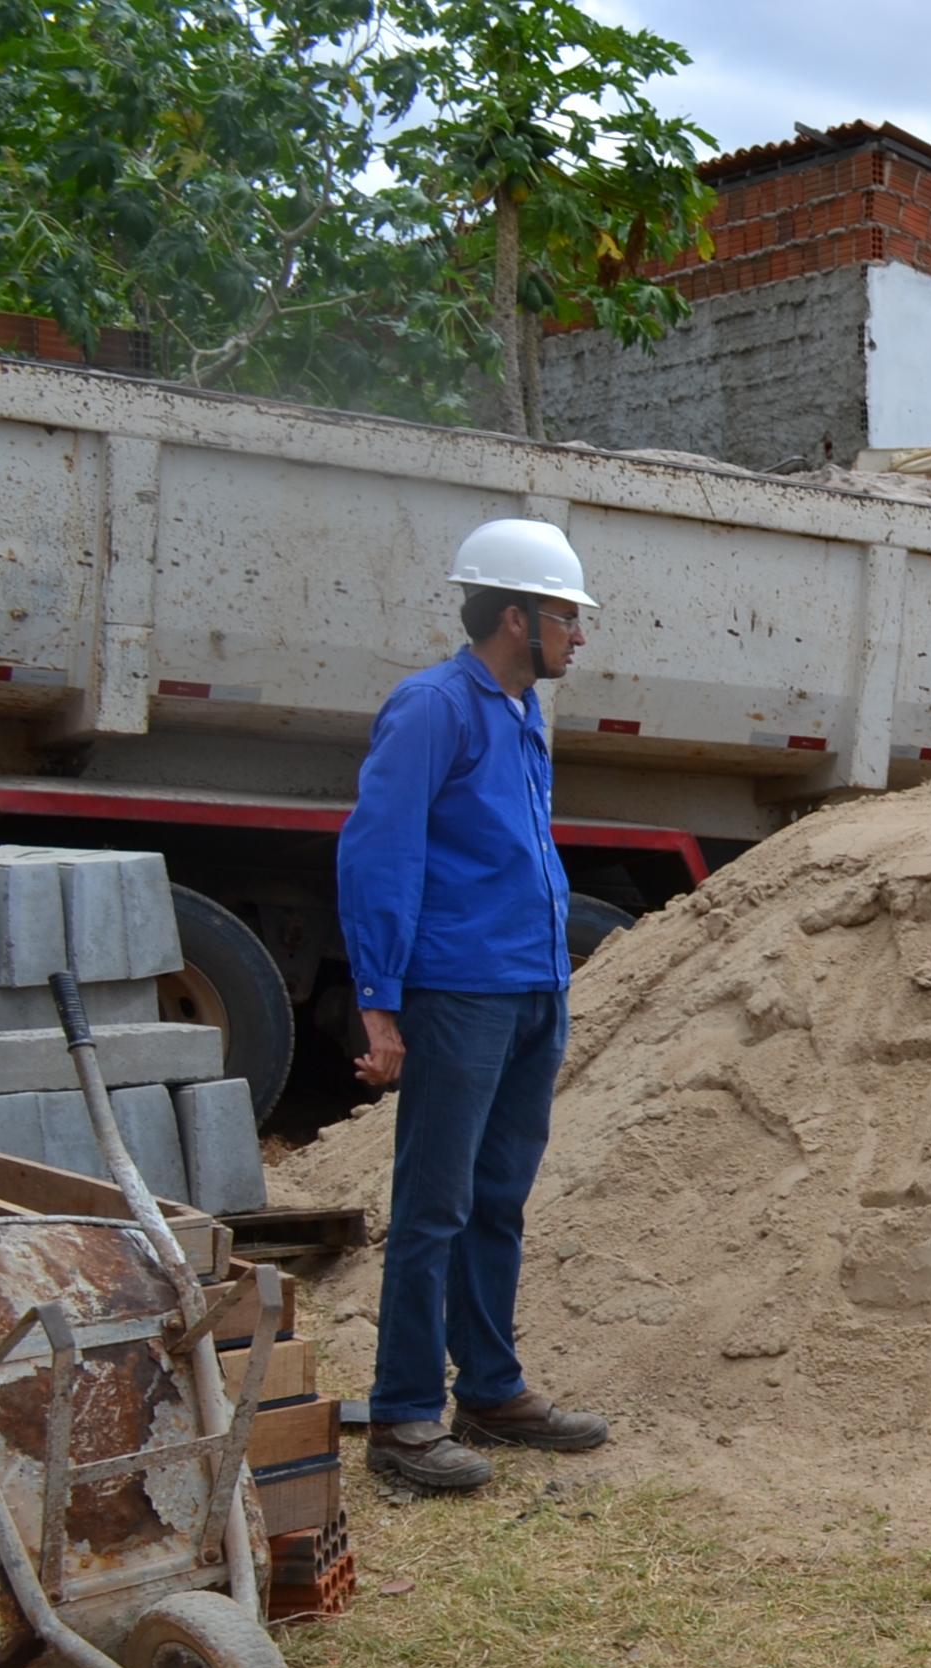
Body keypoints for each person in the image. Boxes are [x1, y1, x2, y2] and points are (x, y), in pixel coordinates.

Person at [337, 519, 615, 1490]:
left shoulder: (523, 713)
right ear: (515, 617)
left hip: (533, 991)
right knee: (434, 1207)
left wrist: (551, 984)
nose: (579, 636)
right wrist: (380, 1001)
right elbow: (378, 852)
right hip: (460, 997)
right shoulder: (432, 709)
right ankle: (407, 1423)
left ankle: (490, 1391)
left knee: (497, 1200)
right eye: (567, 619)